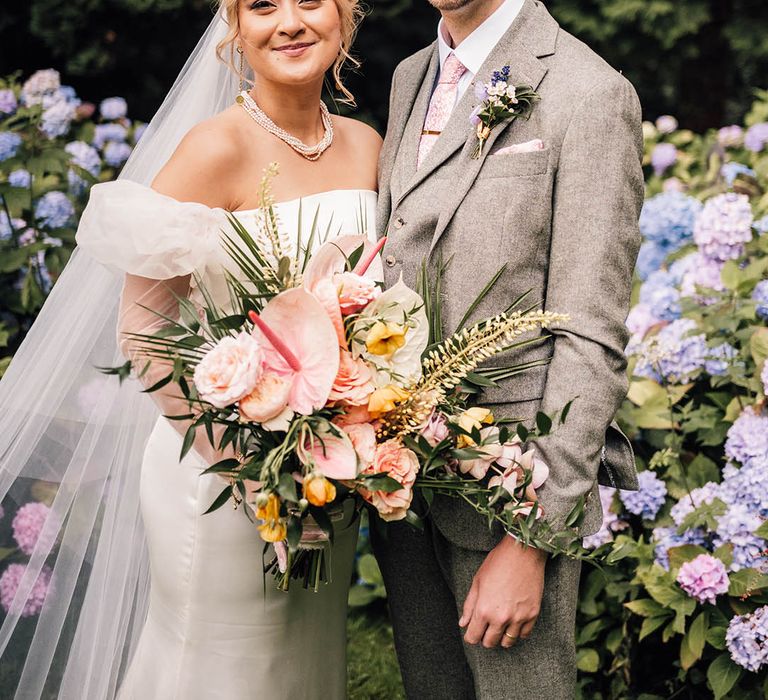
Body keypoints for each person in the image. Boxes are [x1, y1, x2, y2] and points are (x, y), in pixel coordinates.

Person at [0, 1, 380, 697]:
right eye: (262, 5)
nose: (289, 22)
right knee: (219, 669)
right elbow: (144, 328)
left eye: (310, 1)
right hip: (222, 473)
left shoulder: (366, 145)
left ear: (345, 14)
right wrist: (248, 467)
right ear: (234, 28)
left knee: (300, 665)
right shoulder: (216, 147)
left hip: (327, 471)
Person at [372, 0, 643, 698]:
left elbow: (591, 331)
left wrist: (532, 538)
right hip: (404, 487)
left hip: (509, 496)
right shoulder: (410, 76)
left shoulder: (590, 93)